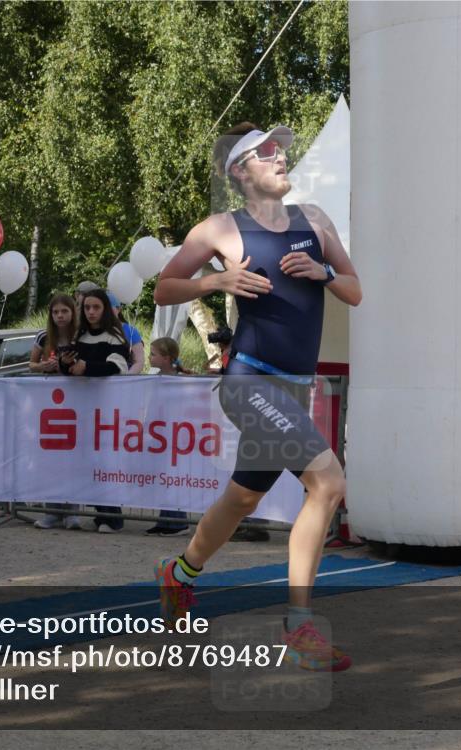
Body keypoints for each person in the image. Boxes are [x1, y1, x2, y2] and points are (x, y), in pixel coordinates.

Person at [152, 122, 362, 671]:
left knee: (243, 499)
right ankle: (300, 628)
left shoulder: (314, 220)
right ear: (240, 172)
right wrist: (215, 283)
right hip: (249, 381)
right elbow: (164, 287)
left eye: (281, 151)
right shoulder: (220, 228)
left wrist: (322, 272)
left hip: (294, 388)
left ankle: (179, 574)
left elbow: (354, 289)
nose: (280, 158)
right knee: (329, 482)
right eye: (267, 153)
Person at [62, 289, 130, 533]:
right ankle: (101, 513)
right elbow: (70, 366)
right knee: (88, 461)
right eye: (87, 307)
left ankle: (113, 517)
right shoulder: (79, 335)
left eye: (96, 307)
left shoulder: (115, 336)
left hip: (107, 407)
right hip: (82, 407)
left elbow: (117, 367)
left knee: (105, 462)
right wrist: (66, 363)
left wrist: (86, 366)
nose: (91, 312)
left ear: (104, 309)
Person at [29, 293, 87, 530]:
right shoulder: (44, 337)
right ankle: (52, 511)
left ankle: (72, 511)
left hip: (76, 402)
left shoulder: (80, 336)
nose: (60, 316)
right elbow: (30, 364)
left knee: (73, 459)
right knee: (50, 460)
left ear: (72, 312)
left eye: (64, 311)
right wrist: (43, 366)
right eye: (55, 312)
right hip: (48, 404)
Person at [144, 337, 192, 536]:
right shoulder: (157, 379)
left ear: (166, 358)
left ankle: (177, 521)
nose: (150, 357)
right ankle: (166, 519)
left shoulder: (178, 381)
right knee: (164, 478)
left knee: (174, 478)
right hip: (161, 434)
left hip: (175, 435)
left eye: (153, 354)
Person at [106, 290, 146, 375]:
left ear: (118, 309)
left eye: (109, 308)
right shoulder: (93, 330)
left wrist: (126, 378)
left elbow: (139, 362)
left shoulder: (130, 331)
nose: (105, 312)